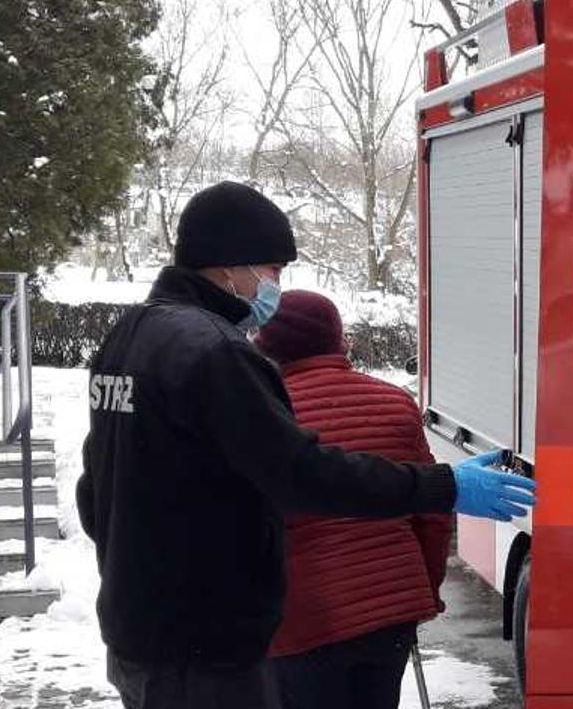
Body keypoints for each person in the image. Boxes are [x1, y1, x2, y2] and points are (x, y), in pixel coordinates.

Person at [75, 181, 534, 709]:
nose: (274, 286)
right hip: (206, 649)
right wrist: (446, 485)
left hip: (140, 633)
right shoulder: (215, 352)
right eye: (272, 271)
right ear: (230, 266)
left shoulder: (127, 337)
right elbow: (303, 476)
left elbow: (96, 494)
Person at [252, 290, 453, 709]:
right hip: (389, 614)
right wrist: (424, 591)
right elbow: (431, 514)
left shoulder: (263, 414)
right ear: (338, 337)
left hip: (301, 619)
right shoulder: (397, 403)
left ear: (266, 345)